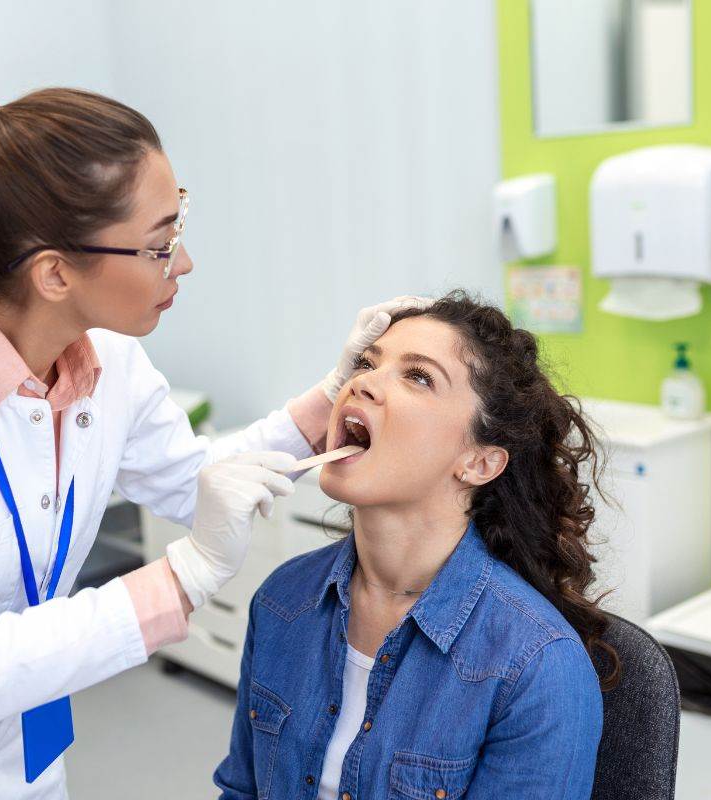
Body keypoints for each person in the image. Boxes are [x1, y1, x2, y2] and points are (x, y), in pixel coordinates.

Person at [0, 86, 426, 799]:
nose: (183, 263)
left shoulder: (111, 367)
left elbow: (196, 481)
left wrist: (330, 393)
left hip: (17, 763)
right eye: (161, 243)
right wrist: (183, 576)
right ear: (55, 272)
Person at [214, 291, 618, 800]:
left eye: (418, 376)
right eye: (366, 362)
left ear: (479, 462)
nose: (363, 383)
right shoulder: (281, 600)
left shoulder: (536, 666)